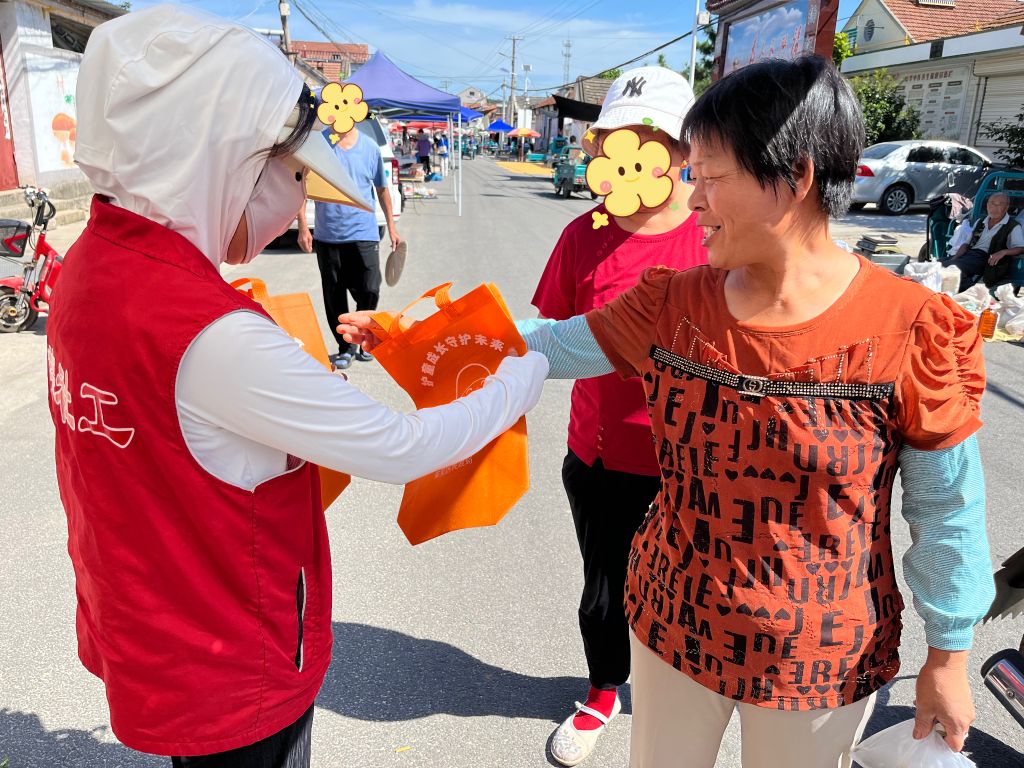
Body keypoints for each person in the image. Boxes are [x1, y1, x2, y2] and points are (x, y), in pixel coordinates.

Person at [340, 56, 995, 768]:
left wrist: (948, 656)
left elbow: (948, 514)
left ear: (797, 177)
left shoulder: (913, 331)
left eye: (711, 177)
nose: (694, 198)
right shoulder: (672, 304)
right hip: (674, 622)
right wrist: (415, 333)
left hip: (819, 658)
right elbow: (550, 345)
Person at [49, 7, 548, 767]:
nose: (295, 202)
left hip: (153, 622)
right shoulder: (209, 332)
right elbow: (402, 448)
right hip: (234, 657)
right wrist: (520, 378)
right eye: (290, 174)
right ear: (222, 156)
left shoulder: (91, 267)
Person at [530, 66, 707, 767]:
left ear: (683, 150)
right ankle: (604, 690)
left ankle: (680, 701)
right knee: (606, 590)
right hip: (602, 453)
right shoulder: (585, 234)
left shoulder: (717, 233)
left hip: (699, 461)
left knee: (693, 591)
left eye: (645, 139)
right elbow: (545, 338)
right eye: (613, 141)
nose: (625, 155)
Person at [298, 108, 401, 370]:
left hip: (364, 232)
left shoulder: (369, 147)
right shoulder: (320, 145)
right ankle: (345, 347)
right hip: (328, 234)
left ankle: (364, 337)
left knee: (370, 288)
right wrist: (302, 226)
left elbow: (382, 189)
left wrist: (392, 226)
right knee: (334, 293)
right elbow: (301, 185)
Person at [945, 191, 1023, 292]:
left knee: (950, 268)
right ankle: (966, 288)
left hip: (986, 259)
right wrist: (955, 258)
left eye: (999, 204)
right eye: (992, 203)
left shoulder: (1012, 226)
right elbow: (966, 244)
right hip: (970, 255)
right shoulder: (980, 222)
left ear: (1006, 207)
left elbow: (1020, 248)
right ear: (987, 205)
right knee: (937, 265)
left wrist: (1003, 252)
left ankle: (969, 290)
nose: (994, 207)